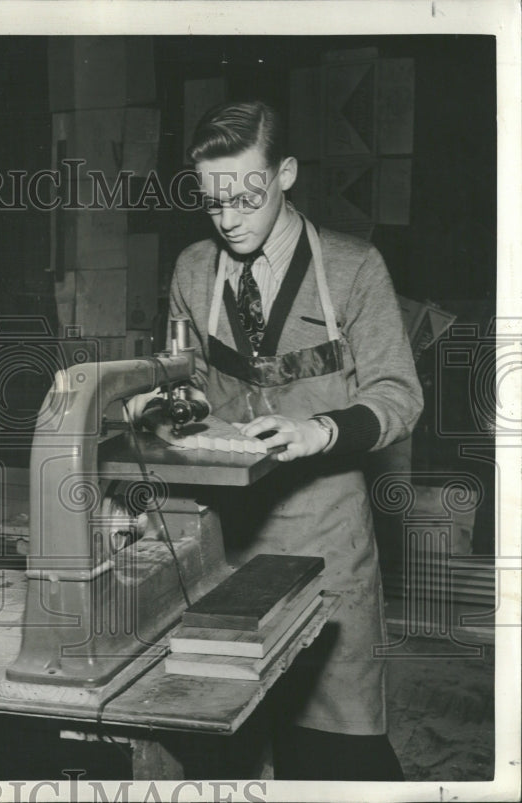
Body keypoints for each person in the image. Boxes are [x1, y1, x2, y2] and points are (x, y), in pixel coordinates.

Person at [146, 100, 422, 780]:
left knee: (336, 750)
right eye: (212, 201)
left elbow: (399, 396)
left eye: (246, 195)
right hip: (226, 546)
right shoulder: (192, 271)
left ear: (287, 173)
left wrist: (321, 428)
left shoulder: (354, 269)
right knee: (221, 744)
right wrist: (163, 404)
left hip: (324, 540)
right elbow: (187, 385)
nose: (229, 216)